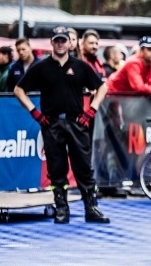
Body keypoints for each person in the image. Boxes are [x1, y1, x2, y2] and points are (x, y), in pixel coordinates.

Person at [13, 26, 110, 225]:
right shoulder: (41, 67)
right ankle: (61, 209)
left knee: (83, 167)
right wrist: (35, 113)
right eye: (56, 40)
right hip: (52, 123)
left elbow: (102, 86)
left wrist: (91, 110)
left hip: (76, 122)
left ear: (69, 42)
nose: (60, 44)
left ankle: (91, 208)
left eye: (63, 40)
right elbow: (18, 89)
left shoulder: (80, 66)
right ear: (52, 42)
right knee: (56, 169)